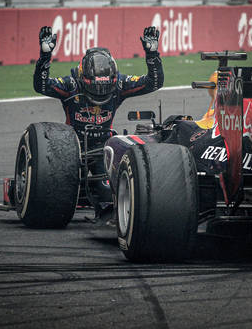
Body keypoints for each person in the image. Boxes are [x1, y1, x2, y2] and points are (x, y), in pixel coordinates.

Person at [34, 25, 164, 219]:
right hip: (70, 148)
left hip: (103, 148)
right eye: (95, 88)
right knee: (59, 191)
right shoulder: (71, 85)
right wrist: (45, 57)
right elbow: (41, 86)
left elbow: (153, 83)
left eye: (104, 89)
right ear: (82, 77)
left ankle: (109, 211)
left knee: (106, 190)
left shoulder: (120, 84)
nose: (100, 93)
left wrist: (152, 54)